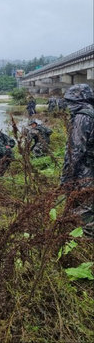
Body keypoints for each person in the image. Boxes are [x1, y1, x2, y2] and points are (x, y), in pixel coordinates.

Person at [60, 84, 94, 237]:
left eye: (70, 102)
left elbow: (75, 152)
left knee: (82, 210)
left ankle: (81, 244)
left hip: (85, 172)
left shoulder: (82, 117)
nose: (68, 106)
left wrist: (66, 179)